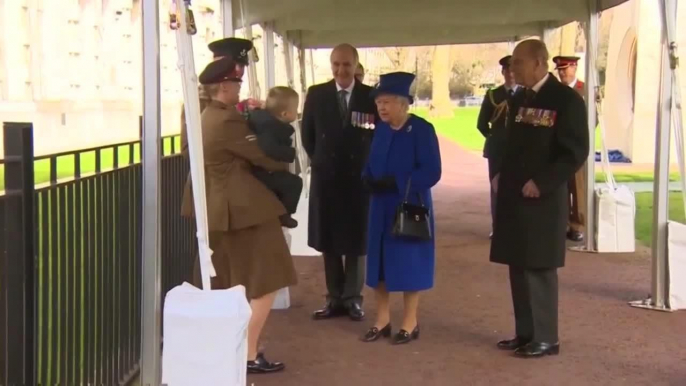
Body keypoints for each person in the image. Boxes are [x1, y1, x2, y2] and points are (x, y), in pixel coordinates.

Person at [180, 38, 297, 374]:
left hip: (216, 207)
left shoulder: (205, 112)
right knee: (270, 278)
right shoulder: (227, 119)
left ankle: (230, 351)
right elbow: (265, 158)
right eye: (237, 80)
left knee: (227, 283)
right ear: (225, 84)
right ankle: (248, 353)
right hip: (241, 210)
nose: (240, 83)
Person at [490, 40, 589, 358]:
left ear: (538, 63)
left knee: (539, 268)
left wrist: (542, 182)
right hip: (515, 196)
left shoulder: (565, 99)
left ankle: (547, 337)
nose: (513, 68)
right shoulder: (521, 97)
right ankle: (526, 333)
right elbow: (514, 145)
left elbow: (574, 151)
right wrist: (501, 174)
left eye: (518, 62)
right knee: (518, 264)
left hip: (542, 199)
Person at [360, 72, 441, 345]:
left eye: (387, 102)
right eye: (379, 102)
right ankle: (382, 320)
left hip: (408, 205)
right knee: (379, 264)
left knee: (409, 263)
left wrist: (397, 182)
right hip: (379, 206)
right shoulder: (380, 129)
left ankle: (410, 322)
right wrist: (367, 177)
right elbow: (370, 161)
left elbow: (432, 171)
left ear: (403, 103)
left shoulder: (421, 129)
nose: (381, 107)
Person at [301, 43, 378, 322]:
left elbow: (378, 136)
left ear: (356, 66)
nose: (340, 70)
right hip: (328, 177)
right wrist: (320, 160)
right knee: (329, 239)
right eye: (336, 64)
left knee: (358, 240)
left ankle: (353, 299)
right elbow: (307, 134)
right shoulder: (317, 94)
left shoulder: (371, 96)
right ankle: (334, 298)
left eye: (346, 64)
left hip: (359, 179)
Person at [247, 86, 303, 229]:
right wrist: (289, 153)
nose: (297, 113)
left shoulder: (266, 121)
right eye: (295, 110)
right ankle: (284, 214)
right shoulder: (269, 127)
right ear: (285, 114)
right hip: (262, 172)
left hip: (262, 170)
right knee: (294, 183)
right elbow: (269, 147)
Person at [476, 55, 519, 239]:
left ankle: (517, 225)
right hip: (497, 152)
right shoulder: (493, 95)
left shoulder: (526, 95)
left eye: (513, 70)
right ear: (502, 73)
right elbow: (482, 124)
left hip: (520, 151)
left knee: (519, 188)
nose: (510, 74)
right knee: (497, 189)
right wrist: (495, 138)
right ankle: (498, 226)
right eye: (506, 70)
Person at [553, 55, 587, 243]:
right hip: (558, 148)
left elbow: (593, 119)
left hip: (577, 147)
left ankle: (578, 225)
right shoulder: (556, 92)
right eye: (560, 70)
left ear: (574, 68)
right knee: (561, 187)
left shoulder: (584, 90)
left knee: (578, 188)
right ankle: (564, 223)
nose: (563, 73)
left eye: (565, 69)